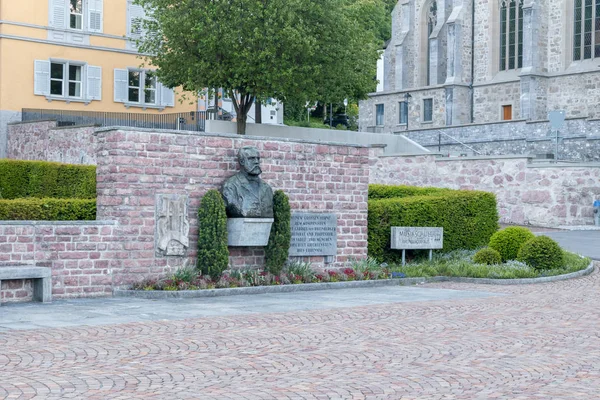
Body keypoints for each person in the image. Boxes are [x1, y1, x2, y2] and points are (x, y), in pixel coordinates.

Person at [222, 146, 274, 218]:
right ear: (242, 161)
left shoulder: (267, 188)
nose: (256, 162)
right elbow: (233, 209)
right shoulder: (230, 186)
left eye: (258, 158)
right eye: (251, 158)